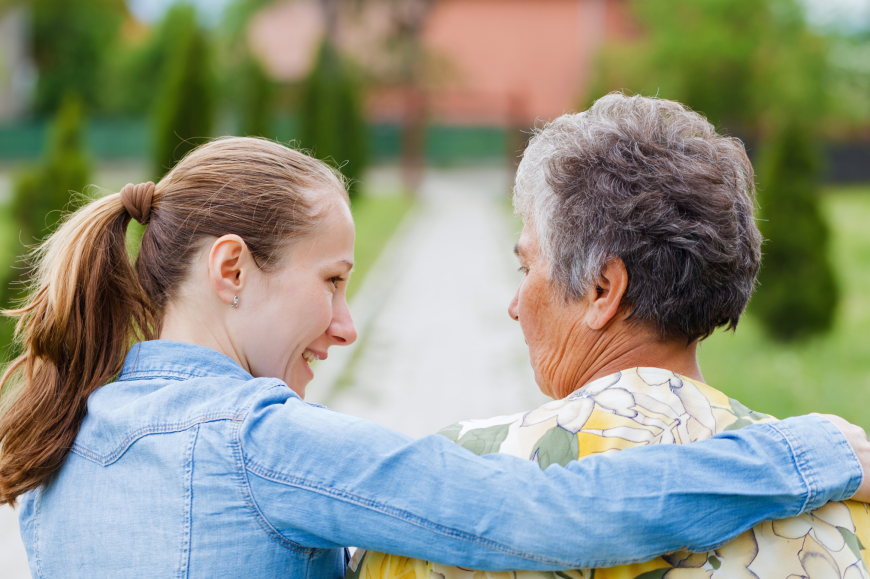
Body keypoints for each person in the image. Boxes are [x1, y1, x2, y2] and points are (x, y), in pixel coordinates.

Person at [0, 137, 866, 579]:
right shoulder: (258, 442)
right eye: (334, 280)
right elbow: (540, 512)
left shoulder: (55, 437)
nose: (345, 325)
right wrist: (810, 451)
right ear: (231, 268)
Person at [351, 94, 870, 579]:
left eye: (526, 268)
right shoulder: (844, 500)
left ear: (603, 288)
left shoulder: (455, 485)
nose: (514, 307)